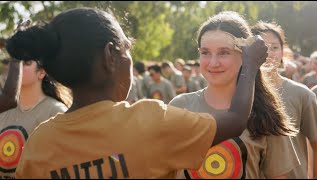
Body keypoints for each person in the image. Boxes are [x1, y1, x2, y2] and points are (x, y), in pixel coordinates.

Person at [6, 8, 267, 178]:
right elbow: (235, 120)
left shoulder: (38, 146)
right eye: (127, 48)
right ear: (111, 56)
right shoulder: (150, 122)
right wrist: (251, 65)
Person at [170, 12, 299, 179]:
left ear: (246, 57)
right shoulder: (179, 106)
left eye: (224, 52)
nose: (213, 62)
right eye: (205, 52)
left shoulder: (266, 114)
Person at [252, 21, 317, 179]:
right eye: (261, 46)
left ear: (283, 52)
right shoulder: (236, 93)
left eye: (275, 47)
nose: (268, 53)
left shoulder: (302, 95)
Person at [0, 59, 71, 178]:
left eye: (26, 63)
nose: (16, 67)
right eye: (15, 63)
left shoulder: (56, 112)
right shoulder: (3, 109)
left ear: (41, 72)